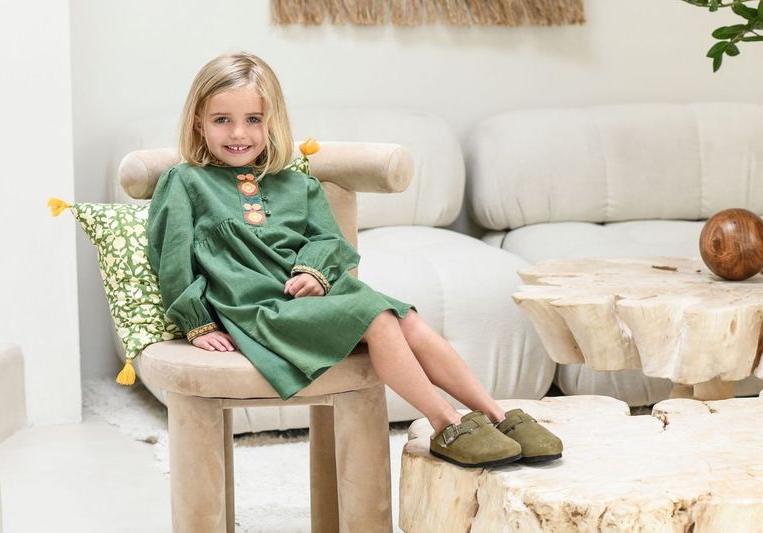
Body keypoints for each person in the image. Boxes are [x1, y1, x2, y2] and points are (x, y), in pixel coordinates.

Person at [147, 52, 562, 467]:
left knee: (408, 319)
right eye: (222, 120)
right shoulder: (186, 181)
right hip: (258, 307)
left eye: (253, 119)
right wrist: (196, 323)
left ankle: (496, 415)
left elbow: (329, 240)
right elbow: (171, 255)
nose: (238, 133)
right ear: (199, 123)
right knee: (379, 320)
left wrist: (315, 272)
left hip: (311, 298)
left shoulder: (298, 184)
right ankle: (446, 424)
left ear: (271, 121)